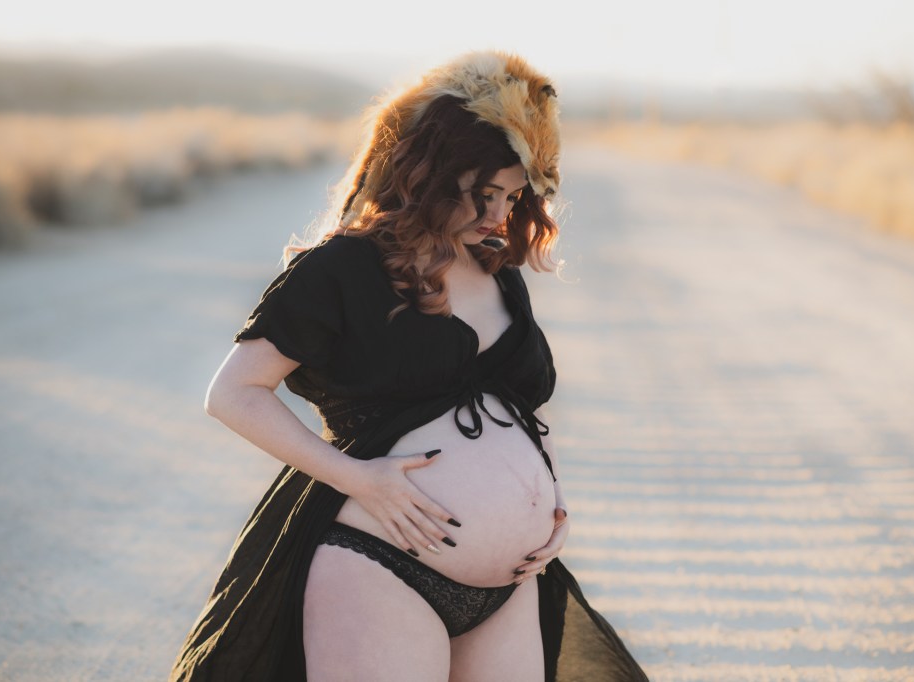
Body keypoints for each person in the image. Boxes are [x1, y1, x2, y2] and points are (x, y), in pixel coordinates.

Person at [169, 51, 648, 681]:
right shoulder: (340, 268)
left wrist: (550, 500)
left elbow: (516, 407)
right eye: (483, 194)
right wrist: (358, 478)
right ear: (431, 176)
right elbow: (233, 392)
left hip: (509, 583)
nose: (499, 215)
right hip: (379, 562)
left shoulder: (494, 270)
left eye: (511, 195)